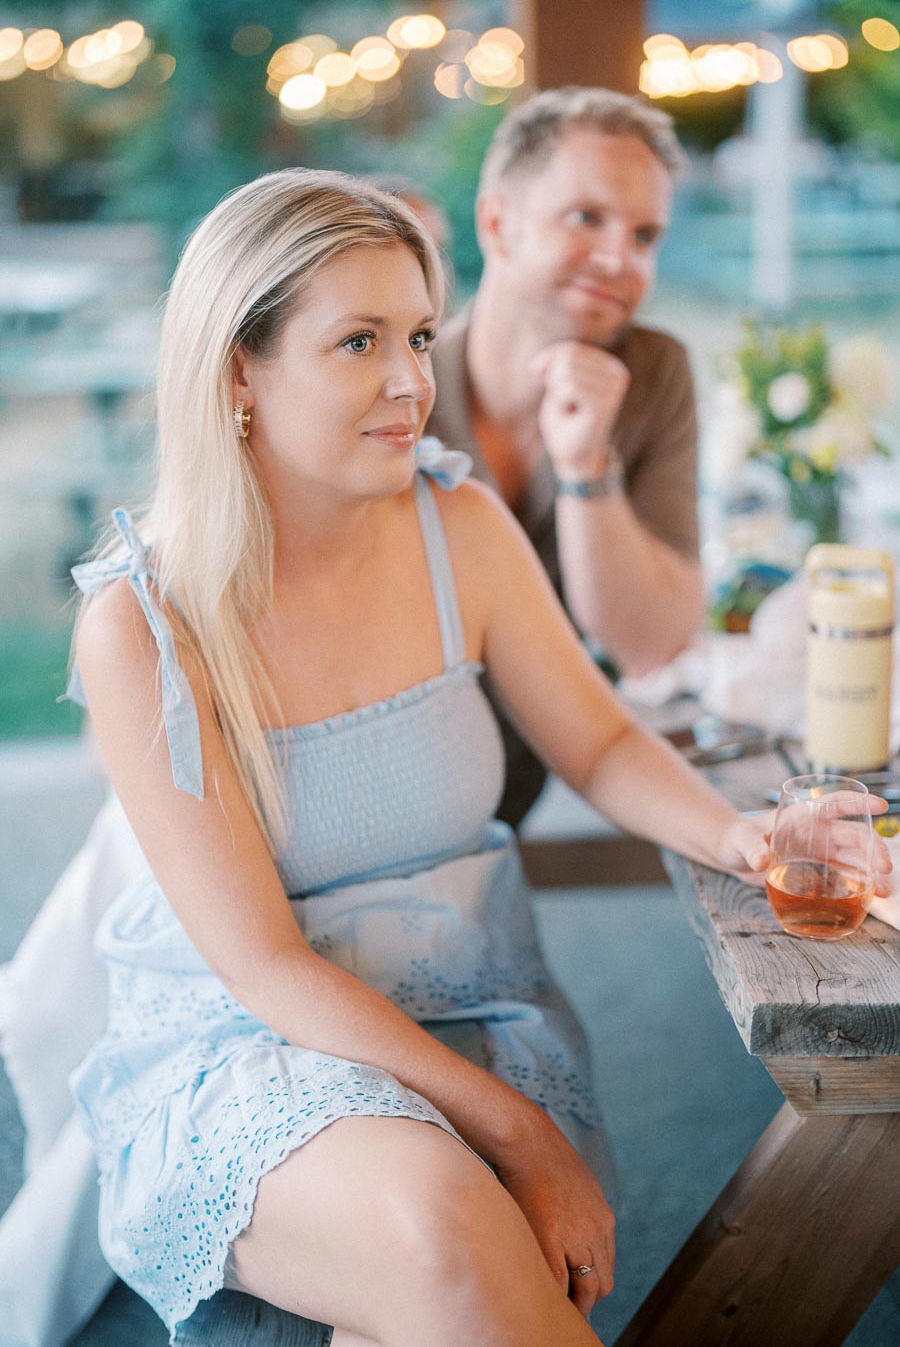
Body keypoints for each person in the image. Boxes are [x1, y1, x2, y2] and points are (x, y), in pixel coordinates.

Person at [19, 169, 783, 1347]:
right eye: (359, 341)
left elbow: (600, 736)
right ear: (237, 371)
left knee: (436, 1292)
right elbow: (265, 970)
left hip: (474, 1009)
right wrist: (519, 1136)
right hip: (248, 1045)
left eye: (421, 334)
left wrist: (745, 836)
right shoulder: (142, 624)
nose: (411, 382)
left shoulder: (457, 525)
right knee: (443, 1227)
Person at [427, 87, 705, 827]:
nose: (619, 258)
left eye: (645, 236)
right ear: (498, 225)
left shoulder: (654, 374)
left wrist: (588, 470)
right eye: (586, 218)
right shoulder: (400, 385)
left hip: (509, 801)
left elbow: (649, 644)